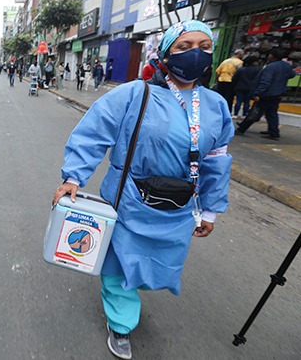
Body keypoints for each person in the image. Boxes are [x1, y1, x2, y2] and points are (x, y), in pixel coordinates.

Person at [52, 20, 233, 360]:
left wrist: (210, 209)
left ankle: (129, 297)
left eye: (203, 46)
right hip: (130, 201)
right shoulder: (133, 94)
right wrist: (73, 177)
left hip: (179, 207)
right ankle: (120, 325)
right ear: (165, 53)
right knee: (119, 266)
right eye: (183, 47)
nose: (195, 53)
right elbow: (93, 134)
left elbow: (216, 163)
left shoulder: (215, 106)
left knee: (157, 265)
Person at [236, 48, 296, 140]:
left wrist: (258, 93)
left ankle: (242, 128)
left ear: (272, 56)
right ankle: (274, 132)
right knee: (271, 113)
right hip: (278, 93)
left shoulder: (271, 67)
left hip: (267, 94)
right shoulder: (286, 66)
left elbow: (265, 82)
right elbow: (292, 74)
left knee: (255, 112)